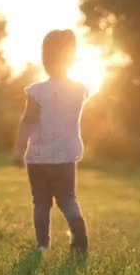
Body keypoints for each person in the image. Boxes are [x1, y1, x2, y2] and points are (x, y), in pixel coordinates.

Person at [13, 29, 89, 254]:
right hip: (65, 157)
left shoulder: (36, 92)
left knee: (41, 203)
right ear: (72, 58)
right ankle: (79, 243)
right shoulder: (79, 90)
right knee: (68, 200)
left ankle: (42, 246)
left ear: (44, 59)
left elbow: (27, 122)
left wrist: (18, 150)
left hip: (38, 159)